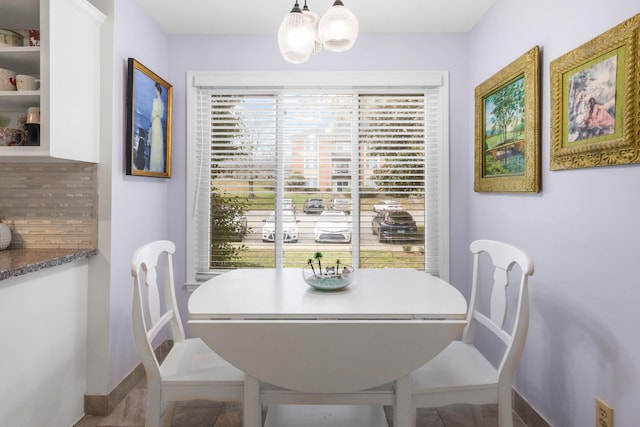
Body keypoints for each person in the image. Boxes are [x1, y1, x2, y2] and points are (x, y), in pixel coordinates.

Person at [148, 82, 165, 172]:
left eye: (155, 89)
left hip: (155, 122)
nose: (154, 91)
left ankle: (154, 166)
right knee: (158, 144)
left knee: (155, 143)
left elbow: (153, 113)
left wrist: (150, 121)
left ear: (158, 90)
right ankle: (158, 166)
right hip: (159, 123)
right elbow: (161, 115)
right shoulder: (162, 103)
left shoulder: (155, 101)